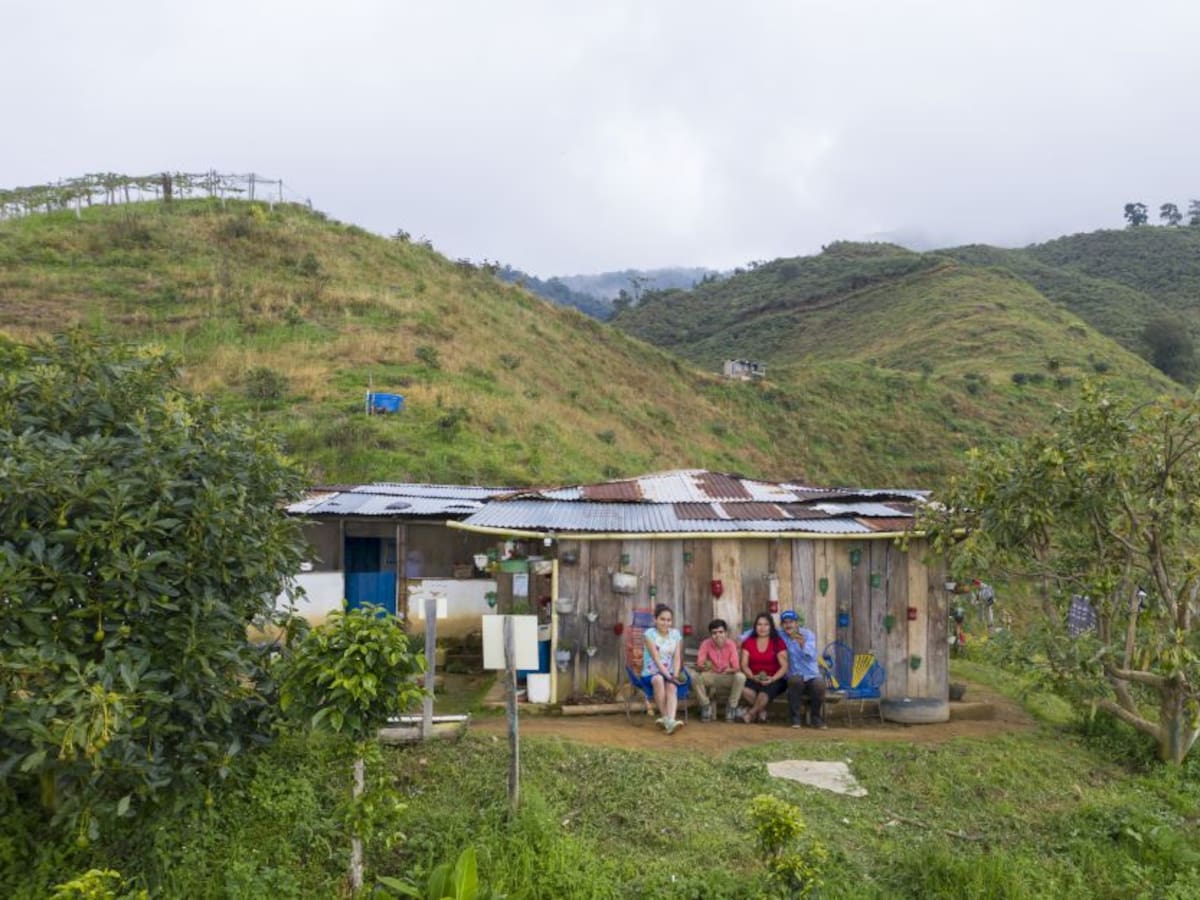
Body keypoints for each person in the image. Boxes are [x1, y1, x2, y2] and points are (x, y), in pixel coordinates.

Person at [687, 618, 747, 722]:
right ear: (711, 635)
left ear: (726, 633)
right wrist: (705, 666)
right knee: (695, 677)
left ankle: (731, 707)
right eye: (714, 633)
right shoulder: (706, 644)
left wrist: (728, 670)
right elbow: (700, 663)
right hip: (711, 675)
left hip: (726, 676)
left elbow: (736, 667)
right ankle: (705, 706)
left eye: (721, 632)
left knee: (741, 677)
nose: (718, 635)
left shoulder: (730, 644)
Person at [643, 603, 687, 735]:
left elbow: (677, 657)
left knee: (672, 686)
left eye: (669, 620)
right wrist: (668, 676)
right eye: (662, 619)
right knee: (658, 679)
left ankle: (670, 721)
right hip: (651, 672)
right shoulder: (649, 634)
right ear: (655, 619)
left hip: (671, 672)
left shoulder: (675, 634)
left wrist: (675, 675)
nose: (666, 623)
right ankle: (666, 718)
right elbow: (656, 659)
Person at [779, 610, 827, 729]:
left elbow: (811, 655)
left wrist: (802, 644)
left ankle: (816, 718)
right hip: (795, 674)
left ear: (796, 624)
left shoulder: (808, 634)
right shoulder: (781, 635)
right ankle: (795, 718)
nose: (788, 625)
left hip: (811, 674)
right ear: (782, 625)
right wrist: (741, 637)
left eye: (791, 622)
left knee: (819, 684)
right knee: (795, 680)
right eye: (785, 622)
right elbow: (762, 631)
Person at [738, 612, 788, 724]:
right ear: (755, 627)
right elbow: (744, 665)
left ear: (771, 627)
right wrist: (752, 677)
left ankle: (750, 714)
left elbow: (784, 666)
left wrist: (772, 679)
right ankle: (761, 711)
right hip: (754, 677)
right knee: (742, 689)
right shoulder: (748, 642)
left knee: (763, 693)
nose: (762, 628)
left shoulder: (778, 642)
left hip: (775, 679)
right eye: (759, 624)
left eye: (766, 624)